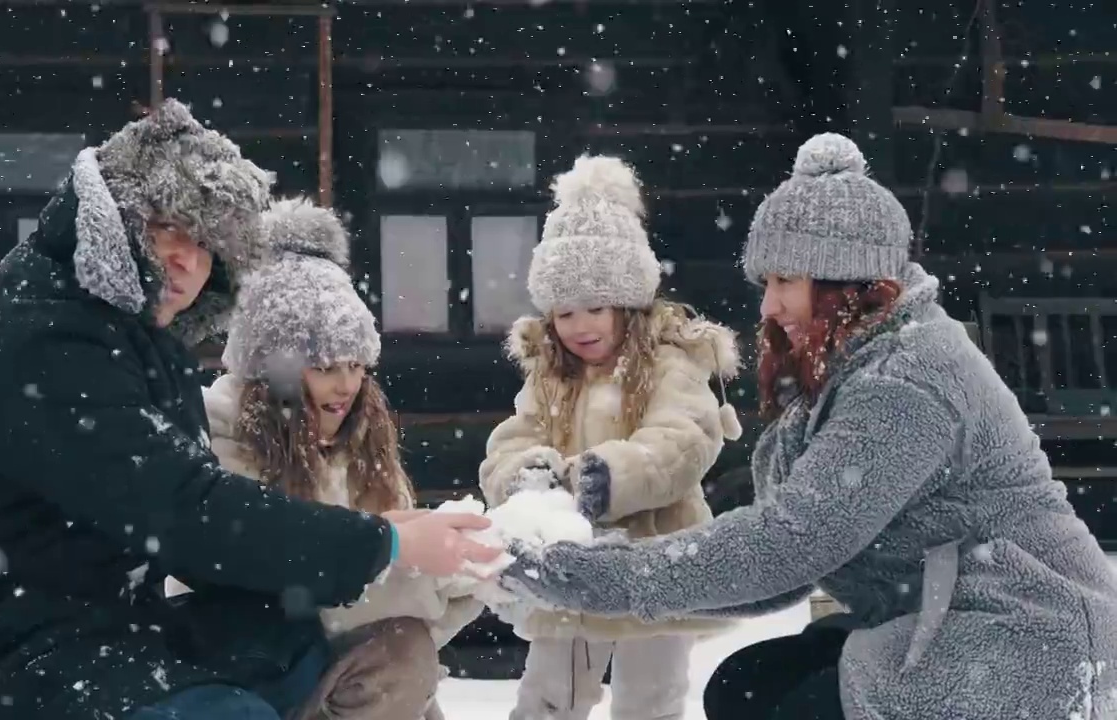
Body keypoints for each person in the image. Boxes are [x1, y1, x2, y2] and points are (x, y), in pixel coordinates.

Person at [0, 99, 498, 720]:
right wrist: (379, 543)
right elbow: (185, 511)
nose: (186, 257)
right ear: (111, 223)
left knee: (295, 641)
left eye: (204, 239)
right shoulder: (47, 334)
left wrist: (384, 541)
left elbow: (198, 540)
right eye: (163, 230)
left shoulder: (145, 345)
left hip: (89, 626)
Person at [496, 133, 1117, 720]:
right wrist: (598, 571)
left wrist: (587, 575)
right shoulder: (853, 365)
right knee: (747, 686)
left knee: (798, 708)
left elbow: (792, 542)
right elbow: (788, 563)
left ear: (846, 283)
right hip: (944, 617)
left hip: (1033, 640)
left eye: (784, 281)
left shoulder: (910, 377)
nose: (767, 305)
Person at [168, 196, 487, 719]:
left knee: (407, 652)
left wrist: (466, 575)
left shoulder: (365, 443)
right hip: (246, 682)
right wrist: (427, 569)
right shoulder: (222, 440)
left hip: (333, 679)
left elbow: (401, 635)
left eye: (355, 363)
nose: (345, 385)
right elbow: (298, 595)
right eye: (322, 366)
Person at [479, 155, 743, 720]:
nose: (581, 326)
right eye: (565, 312)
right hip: (573, 559)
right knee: (551, 692)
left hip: (659, 558)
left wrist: (607, 476)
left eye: (596, 307)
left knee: (650, 698)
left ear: (629, 302)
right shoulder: (552, 375)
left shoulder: (671, 362)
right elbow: (514, 436)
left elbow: (683, 439)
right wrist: (526, 475)